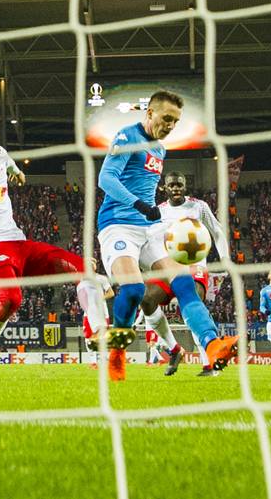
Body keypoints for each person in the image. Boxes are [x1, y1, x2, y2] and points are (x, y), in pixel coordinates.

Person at [0, 116, 112, 381]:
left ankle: (95, 340)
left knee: (87, 272)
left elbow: (8, 161)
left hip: (19, 242)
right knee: (11, 300)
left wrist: (16, 172)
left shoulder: (0, 154)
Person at [96, 91, 236, 381]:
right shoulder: (127, 136)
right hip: (118, 224)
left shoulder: (160, 149)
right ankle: (117, 353)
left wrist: (149, 213)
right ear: (149, 114)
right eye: (166, 118)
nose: (171, 125)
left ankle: (212, 346)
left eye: (176, 121)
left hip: (149, 227)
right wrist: (139, 205)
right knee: (134, 291)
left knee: (184, 282)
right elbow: (106, 179)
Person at [138, 171, 230, 377]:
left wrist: (224, 258)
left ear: (185, 186)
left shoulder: (199, 206)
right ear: (164, 188)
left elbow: (217, 231)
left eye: (179, 184)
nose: (176, 188)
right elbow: (150, 240)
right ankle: (173, 348)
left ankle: (209, 364)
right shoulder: (158, 211)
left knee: (191, 300)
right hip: (167, 268)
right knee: (145, 300)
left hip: (193, 265)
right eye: (172, 185)